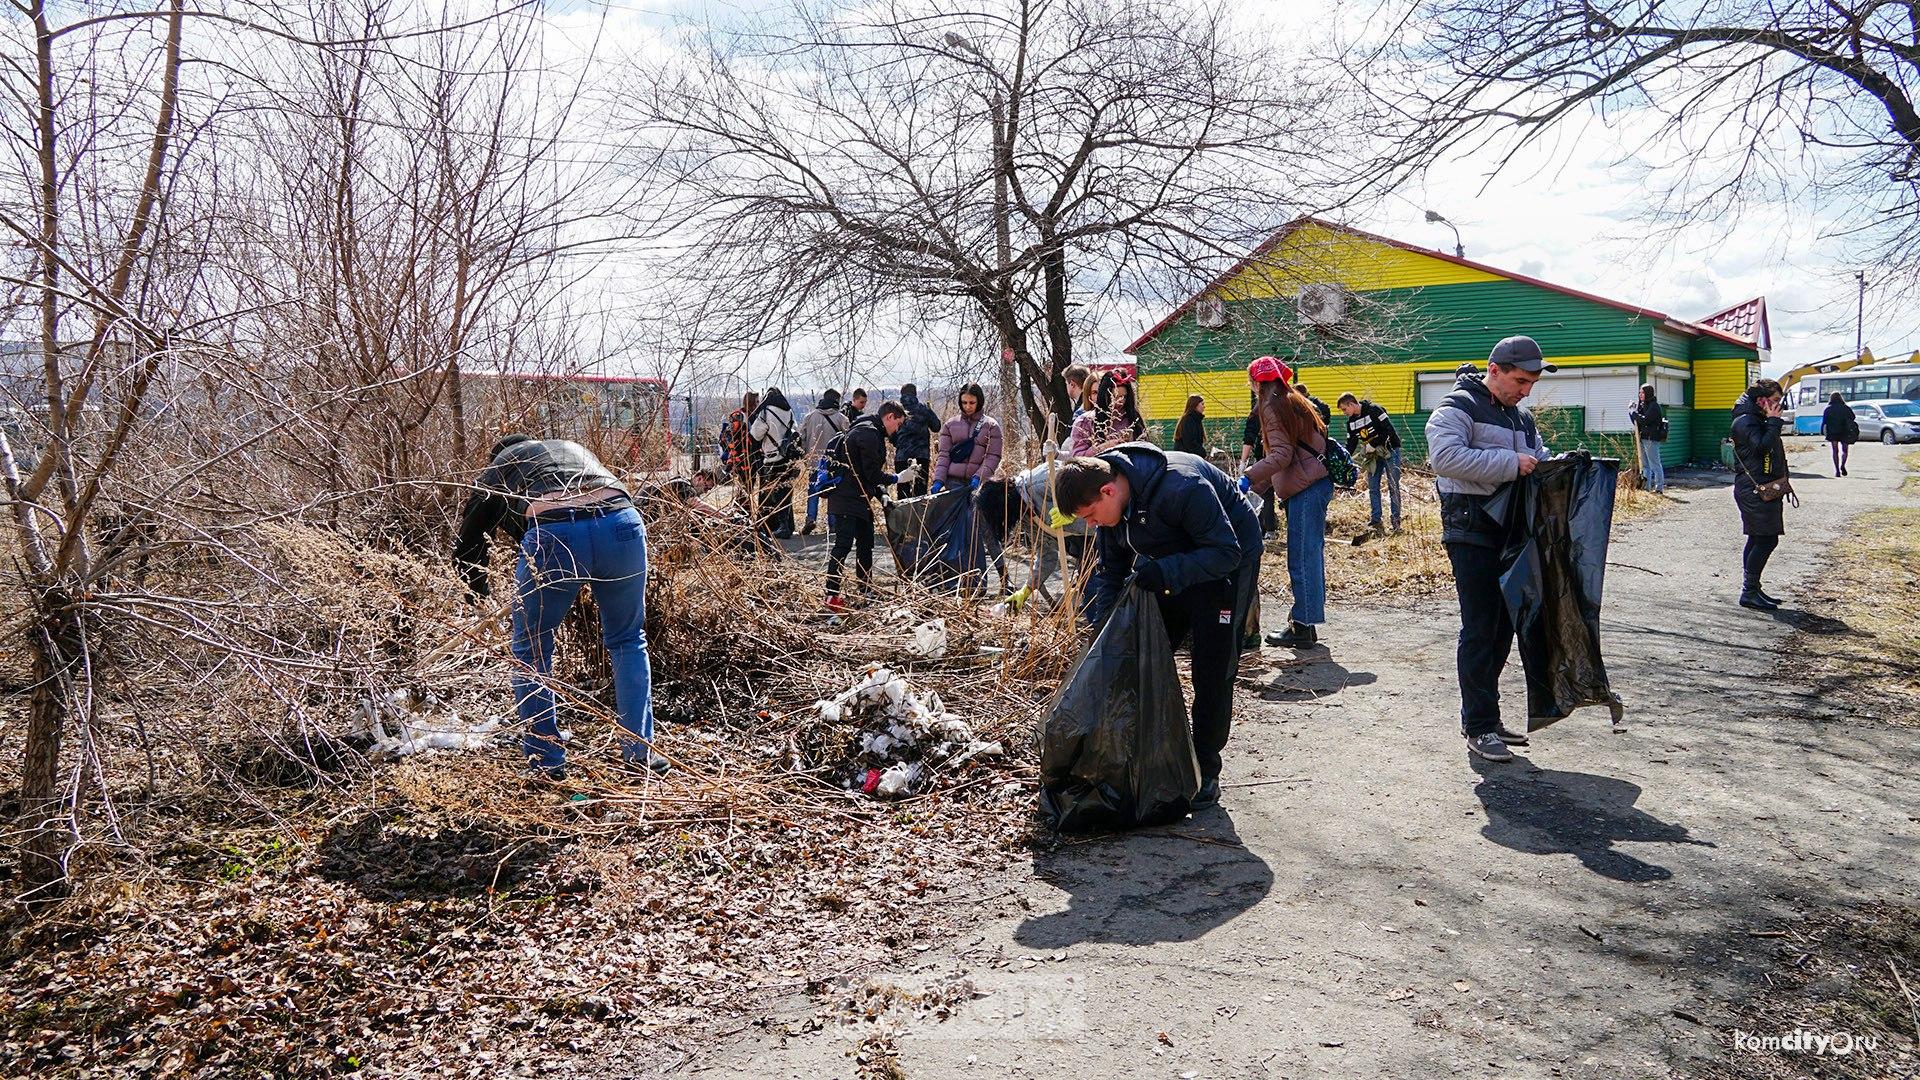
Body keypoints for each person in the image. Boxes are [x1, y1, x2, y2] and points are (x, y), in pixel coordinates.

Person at [1054, 444, 1262, 809]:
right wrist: (1105, 632)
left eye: (1090, 515)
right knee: (1140, 652)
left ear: (1108, 491)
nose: (1090, 524)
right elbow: (1111, 572)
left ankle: (1206, 769)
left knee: (1212, 668)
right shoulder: (1111, 510)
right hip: (1174, 559)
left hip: (1229, 559)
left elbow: (1225, 553)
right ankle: (1155, 755)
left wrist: (1165, 572)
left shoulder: (1181, 487)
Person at [453, 435, 664, 781]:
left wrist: (477, 594)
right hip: (622, 522)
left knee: (531, 650)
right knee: (628, 639)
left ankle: (546, 763)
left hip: (555, 533)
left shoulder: (499, 468)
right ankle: (642, 753)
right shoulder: (571, 447)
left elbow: (468, 541)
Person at [1425, 336, 1554, 764]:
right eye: (1521, 380)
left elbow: (1535, 460)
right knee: (1481, 628)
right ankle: (1478, 726)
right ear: (1494, 370)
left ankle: (1488, 719)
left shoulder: (1522, 418)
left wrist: (1556, 463)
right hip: (1470, 530)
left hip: (1511, 533)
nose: (1526, 390)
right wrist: (1510, 464)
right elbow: (1445, 458)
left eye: (1532, 383)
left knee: (1503, 629)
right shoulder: (1456, 408)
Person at [1244, 357, 1332, 650]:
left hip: (1306, 487)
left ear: (1257, 381)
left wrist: (1246, 478)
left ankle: (1303, 628)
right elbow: (1289, 455)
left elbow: (1280, 455)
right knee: (1310, 555)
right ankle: (1306, 622)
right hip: (1313, 483)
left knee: (1302, 557)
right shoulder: (1293, 399)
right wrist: (1258, 484)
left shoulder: (1271, 406)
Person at [826, 401, 918, 612]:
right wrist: (897, 478)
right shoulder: (869, 434)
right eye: (898, 423)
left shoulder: (865, 427)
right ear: (890, 417)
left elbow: (864, 472)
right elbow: (872, 474)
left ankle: (865, 588)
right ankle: (831, 595)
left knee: (866, 543)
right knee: (843, 545)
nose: (898, 429)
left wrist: (882, 494)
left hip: (858, 499)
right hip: (847, 499)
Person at [1731, 378, 1790, 611]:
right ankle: (1749, 591)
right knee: (1767, 539)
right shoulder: (1745, 421)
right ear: (1761, 400)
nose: (1779, 406)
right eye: (1775, 401)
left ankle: (1753, 588)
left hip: (1764, 488)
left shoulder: (1755, 418)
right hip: (1753, 490)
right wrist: (1774, 422)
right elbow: (1762, 447)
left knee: (1757, 538)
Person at [1338, 392, 1403, 535]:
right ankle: (1376, 520)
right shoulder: (1351, 422)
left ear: (1351, 404)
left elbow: (1389, 431)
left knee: (1393, 485)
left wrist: (1373, 443)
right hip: (1373, 455)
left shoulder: (1374, 410)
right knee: (1373, 486)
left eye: (1344, 409)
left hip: (1391, 450)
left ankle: (1396, 520)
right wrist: (1344, 457)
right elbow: (1351, 443)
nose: (1344, 413)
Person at [933, 382, 1004, 492]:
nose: (967, 406)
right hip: (952, 483)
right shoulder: (950, 425)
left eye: (972, 402)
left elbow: (993, 457)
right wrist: (938, 480)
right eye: (964, 402)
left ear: (979, 402)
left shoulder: (991, 426)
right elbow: (944, 456)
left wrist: (978, 477)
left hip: (978, 484)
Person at [748, 387, 799, 540]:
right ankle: (787, 525)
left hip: (771, 458)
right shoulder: (789, 411)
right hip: (788, 458)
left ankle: (774, 526)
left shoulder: (766, 412)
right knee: (785, 492)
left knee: (770, 493)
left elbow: (755, 435)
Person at [801, 389, 851, 535]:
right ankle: (833, 524)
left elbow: (802, 438)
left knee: (812, 491)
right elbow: (848, 441)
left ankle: (810, 519)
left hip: (814, 461)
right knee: (833, 492)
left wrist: (806, 456)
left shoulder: (810, 417)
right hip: (832, 464)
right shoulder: (841, 418)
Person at [1068, 370, 1146, 455]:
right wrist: (1103, 447)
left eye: (1123, 397)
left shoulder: (1133, 419)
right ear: (1104, 395)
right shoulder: (1085, 422)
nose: (1120, 401)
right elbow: (1076, 456)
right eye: (1114, 397)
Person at [1238, 391, 1279, 540]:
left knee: (1265, 495)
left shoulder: (1257, 414)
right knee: (1271, 495)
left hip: (1265, 460)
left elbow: (1248, 438)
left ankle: (1266, 529)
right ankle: (1269, 529)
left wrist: (1243, 462)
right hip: (1275, 460)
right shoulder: (1279, 412)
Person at [894, 383, 940, 498]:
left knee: (902, 492)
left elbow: (890, 433)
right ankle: (919, 516)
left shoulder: (896, 410)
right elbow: (936, 427)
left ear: (902, 394)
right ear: (915, 394)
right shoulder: (923, 408)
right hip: (922, 455)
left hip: (902, 456)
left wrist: (898, 444)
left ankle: (904, 515)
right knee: (920, 493)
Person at [1628, 383, 1668, 493]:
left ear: (1648, 393)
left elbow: (1645, 420)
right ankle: (1646, 487)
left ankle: (1659, 488)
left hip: (1651, 438)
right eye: (1639, 392)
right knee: (1645, 465)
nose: (1640, 394)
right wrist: (1632, 412)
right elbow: (1636, 421)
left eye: (1642, 392)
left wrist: (1634, 413)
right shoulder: (1642, 405)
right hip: (1642, 437)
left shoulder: (1654, 406)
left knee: (1655, 464)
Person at [718, 391, 758, 484]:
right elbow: (730, 437)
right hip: (740, 458)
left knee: (749, 486)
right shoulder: (739, 416)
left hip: (751, 458)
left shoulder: (754, 417)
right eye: (756, 401)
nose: (758, 404)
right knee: (745, 487)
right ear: (750, 402)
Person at [1821, 390, 1858, 476]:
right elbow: (1853, 417)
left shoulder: (1828, 409)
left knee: (1835, 451)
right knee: (1845, 450)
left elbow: (1824, 421)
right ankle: (1843, 465)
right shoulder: (1846, 408)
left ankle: (1837, 470)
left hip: (1832, 432)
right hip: (1845, 431)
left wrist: (1822, 431)